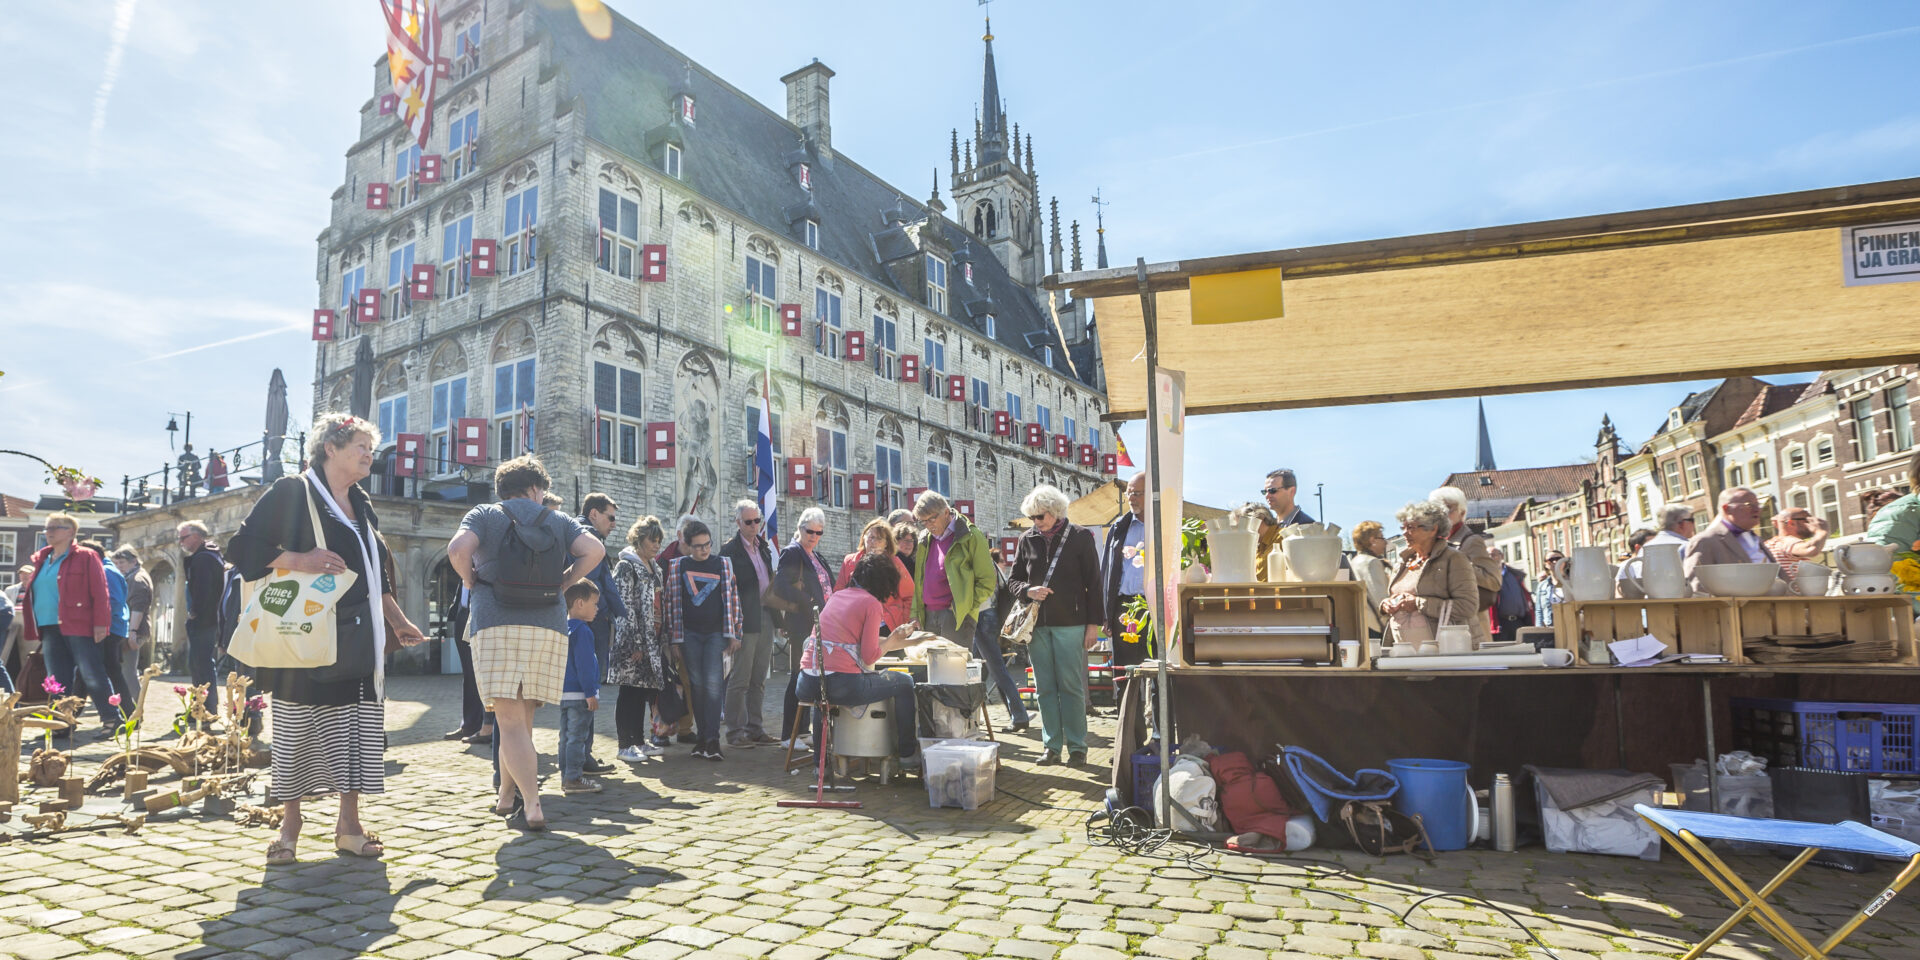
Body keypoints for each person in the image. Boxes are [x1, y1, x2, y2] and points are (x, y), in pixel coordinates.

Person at [227, 413, 428, 862]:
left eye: (371, 448)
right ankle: (290, 825)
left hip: (357, 637)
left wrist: (396, 620)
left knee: (353, 728)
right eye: (360, 446)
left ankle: (348, 826)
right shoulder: (292, 491)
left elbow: (376, 573)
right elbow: (240, 549)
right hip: (302, 634)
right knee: (297, 728)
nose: (369, 455)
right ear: (330, 449)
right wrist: (300, 559)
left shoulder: (361, 502)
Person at [447, 454, 604, 832]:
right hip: (547, 625)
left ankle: (532, 804)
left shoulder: (485, 514)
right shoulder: (557, 519)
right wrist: (565, 582)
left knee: (509, 720)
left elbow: (457, 550)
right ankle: (506, 795)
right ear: (535, 488)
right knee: (523, 719)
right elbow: (595, 550)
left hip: (496, 623)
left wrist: (469, 579)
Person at [796, 552, 923, 769]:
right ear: (884, 583)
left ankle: (820, 764)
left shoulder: (837, 597)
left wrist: (905, 641)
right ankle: (907, 754)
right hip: (842, 684)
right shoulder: (871, 603)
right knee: (904, 683)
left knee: (821, 700)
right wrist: (893, 640)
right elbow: (869, 655)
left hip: (807, 682)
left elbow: (860, 642)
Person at [1007, 484, 1104, 766]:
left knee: (1071, 686)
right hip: (1037, 625)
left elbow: (1094, 584)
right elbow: (1012, 580)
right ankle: (1051, 746)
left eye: (1040, 516)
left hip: (1071, 624)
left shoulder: (1080, 537)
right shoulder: (1026, 539)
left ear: (1056, 511)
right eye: (1032, 517)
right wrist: (1028, 590)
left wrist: (1093, 625)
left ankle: (1077, 747)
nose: (1035, 522)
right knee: (1044, 688)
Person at [21, 513, 120, 736]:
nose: (49, 532)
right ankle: (63, 723)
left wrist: (101, 623)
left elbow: (100, 592)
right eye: (47, 528)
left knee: (91, 673)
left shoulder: (86, 556)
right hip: (48, 626)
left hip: (79, 624)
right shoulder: (42, 558)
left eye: (55, 527)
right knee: (57, 678)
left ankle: (112, 719)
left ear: (71, 532)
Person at [662, 519, 742, 760]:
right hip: (689, 635)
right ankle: (702, 738)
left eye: (707, 544)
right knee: (696, 685)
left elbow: (734, 600)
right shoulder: (678, 566)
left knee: (713, 684)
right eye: (698, 546)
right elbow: (670, 604)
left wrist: (735, 633)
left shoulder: (723, 565)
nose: (704, 549)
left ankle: (713, 740)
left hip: (716, 634)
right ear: (687, 545)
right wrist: (674, 640)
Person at [1380, 500, 1479, 650]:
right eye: (1403, 527)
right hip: (1405, 651)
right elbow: (1394, 597)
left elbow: (1467, 606)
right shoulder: (1402, 562)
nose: (1404, 533)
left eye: (1411, 527)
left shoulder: (1454, 559)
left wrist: (1418, 604)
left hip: (1445, 651)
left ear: (1433, 529)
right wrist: (1385, 605)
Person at [573, 492, 625, 776]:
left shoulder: (581, 535)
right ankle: (582, 758)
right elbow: (598, 585)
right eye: (610, 517)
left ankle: (582, 756)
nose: (614, 524)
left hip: (589, 621)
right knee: (587, 691)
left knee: (583, 691)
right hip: (590, 623)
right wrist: (620, 615)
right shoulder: (587, 538)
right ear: (594, 514)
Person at [720, 500, 779, 748]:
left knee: (759, 677)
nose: (754, 525)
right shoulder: (729, 551)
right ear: (738, 522)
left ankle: (755, 728)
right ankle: (735, 731)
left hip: (766, 615)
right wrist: (731, 628)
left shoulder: (763, 547)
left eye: (757, 521)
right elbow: (725, 591)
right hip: (744, 618)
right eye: (748, 521)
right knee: (740, 678)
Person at [773, 507, 833, 750]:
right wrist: (807, 600)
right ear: (800, 528)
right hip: (802, 624)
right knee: (798, 676)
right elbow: (780, 586)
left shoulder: (816, 556)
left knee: (811, 676)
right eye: (810, 531)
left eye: (819, 533)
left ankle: (802, 730)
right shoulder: (792, 552)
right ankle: (788, 735)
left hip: (819, 625)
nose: (814, 536)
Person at [609, 516, 669, 761]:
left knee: (643, 693)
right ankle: (625, 745)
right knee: (629, 693)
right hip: (633, 642)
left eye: (659, 541)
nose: (656, 545)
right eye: (652, 540)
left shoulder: (655, 569)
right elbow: (624, 606)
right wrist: (634, 643)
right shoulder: (626, 566)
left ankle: (639, 741)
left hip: (652, 642)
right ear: (639, 539)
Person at [910, 491, 997, 648]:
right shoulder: (924, 538)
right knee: (930, 664)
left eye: (932, 519)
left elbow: (987, 580)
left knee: (953, 664)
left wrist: (964, 605)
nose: (928, 525)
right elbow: (919, 580)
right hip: (928, 615)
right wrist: (915, 613)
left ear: (946, 512)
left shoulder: (971, 535)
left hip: (956, 616)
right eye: (923, 521)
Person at [1429, 486, 1500, 647]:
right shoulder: (1432, 542)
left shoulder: (1471, 541)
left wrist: (1459, 565)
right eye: (1438, 508)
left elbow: (1493, 580)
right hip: (1442, 622)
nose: (1443, 513)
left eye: (1449, 508)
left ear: (1462, 513)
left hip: (1470, 625)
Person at [1684, 486, 1787, 593]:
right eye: (1749, 505)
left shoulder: (1756, 539)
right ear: (1727, 509)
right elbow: (1697, 588)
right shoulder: (1705, 541)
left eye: (1757, 504)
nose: (1757, 509)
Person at [178, 519, 227, 716]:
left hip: (204, 621)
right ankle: (201, 707)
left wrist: (195, 612)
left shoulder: (204, 559)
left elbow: (203, 591)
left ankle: (205, 709)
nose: (181, 542)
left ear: (197, 536)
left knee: (201, 665)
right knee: (200, 664)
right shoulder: (210, 555)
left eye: (184, 537)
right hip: (207, 619)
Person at [559, 581, 604, 794]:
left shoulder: (564, 628)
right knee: (578, 738)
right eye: (594, 603)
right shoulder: (583, 631)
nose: (597, 608)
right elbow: (584, 665)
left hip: (565, 694)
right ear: (579, 603)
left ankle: (566, 774)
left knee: (565, 737)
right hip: (580, 694)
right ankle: (574, 778)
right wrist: (590, 693)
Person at [1100, 473, 1150, 664]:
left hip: (1155, 606)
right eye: (1128, 493)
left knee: (1157, 666)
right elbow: (1106, 572)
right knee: (1125, 669)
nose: (1131, 498)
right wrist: (1106, 614)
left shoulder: (1165, 525)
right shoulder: (1119, 528)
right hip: (1125, 607)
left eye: (1137, 493)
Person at [836, 518, 915, 629]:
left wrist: (902, 621)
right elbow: (838, 592)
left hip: (886, 623)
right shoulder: (849, 561)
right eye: (871, 537)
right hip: (855, 621)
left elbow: (910, 596)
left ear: (886, 543)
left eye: (879, 538)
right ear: (864, 537)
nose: (874, 542)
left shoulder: (894, 563)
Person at [83, 539, 131, 712]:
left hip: (108, 629)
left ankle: (128, 713)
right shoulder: (107, 569)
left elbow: (114, 603)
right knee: (105, 671)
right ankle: (129, 713)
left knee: (108, 671)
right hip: (111, 628)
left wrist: (100, 623)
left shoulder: (105, 571)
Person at [1255, 468, 1314, 580]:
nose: (1267, 495)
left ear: (1292, 491)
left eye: (1272, 490)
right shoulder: (1271, 527)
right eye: (1264, 491)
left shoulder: (1306, 525)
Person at [110, 547, 152, 702]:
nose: (118, 566)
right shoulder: (132, 576)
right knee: (126, 671)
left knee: (128, 672)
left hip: (134, 630)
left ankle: (137, 707)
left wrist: (132, 632)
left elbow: (137, 608)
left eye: (122, 562)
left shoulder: (137, 579)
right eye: (116, 563)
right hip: (132, 629)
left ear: (133, 561)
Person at [1348, 521, 1392, 640]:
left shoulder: (1355, 561)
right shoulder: (1372, 562)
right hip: (1376, 626)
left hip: (1363, 623)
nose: (1385, 542)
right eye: (1382, 538)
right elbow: (1381, 599)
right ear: (1372, 540)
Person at [1765, 506, 1831, 582]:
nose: (1811, 523)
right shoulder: (1789, 541)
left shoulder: (1770, 543)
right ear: (1791, 523)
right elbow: (1811, 549)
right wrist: (1821, 531)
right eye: (1807, 520)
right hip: (1791, 589)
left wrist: (1780, 521)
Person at [1489, 547, 1535, 644]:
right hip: (1500, 625)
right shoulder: (1486, 576)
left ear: (1502, 556)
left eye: (1493, 555)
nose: (1490, 557)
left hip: (1519, 623)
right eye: (1487, 555)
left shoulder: (1514, 575)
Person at [1614, 528, 1659, 596]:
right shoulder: (1625, 566)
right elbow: (1619, 593)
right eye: (1651, 545)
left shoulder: (1656, 564)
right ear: (1637, 547)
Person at [1534, 551, 1566, 626]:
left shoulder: (1572, 582)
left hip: (1570, 624)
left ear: (1564, 562)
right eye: (1551, 560)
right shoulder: (1542, 586)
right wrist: (1539, 629)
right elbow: (1539, 611)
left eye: (1558, 559)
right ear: (1546, 565)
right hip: (1550, 626)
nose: (1555, 562)